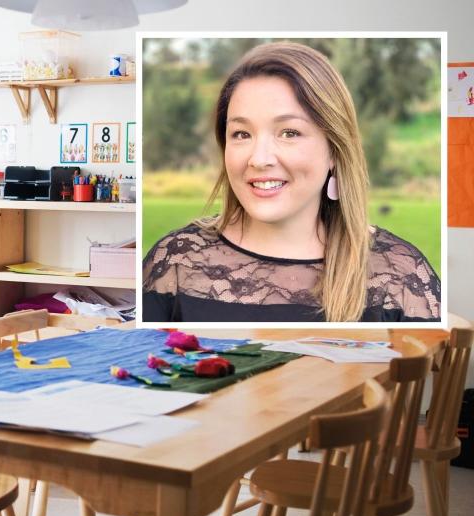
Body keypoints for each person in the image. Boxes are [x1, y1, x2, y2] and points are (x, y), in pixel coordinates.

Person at [142, 42, 440, 322]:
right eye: (241, 134)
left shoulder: (401, 275)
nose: (259, 159)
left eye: (289, 133)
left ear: (335, 150)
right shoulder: (176, 262)